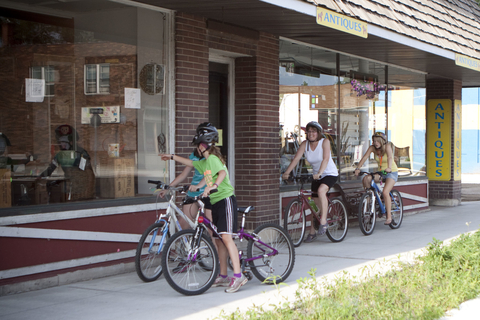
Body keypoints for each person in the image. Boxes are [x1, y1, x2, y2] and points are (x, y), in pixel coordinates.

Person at [160, 122, 247, 293]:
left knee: (227, 238)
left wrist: (213, 185)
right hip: (214, 202)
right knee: (218, 239)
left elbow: (222, 173)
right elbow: (190, 163)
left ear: (202, 145)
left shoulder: (213, 160)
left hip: (225, 200)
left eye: (197, 146)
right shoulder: (205, 162)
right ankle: (223, 275)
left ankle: (238, 276)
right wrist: (171, 156)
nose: (195, 150)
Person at [282, 121, 338, 243]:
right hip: (316, 176)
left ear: (318, 133)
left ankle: (323, 221)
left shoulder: (325, 142)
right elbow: (296, 159)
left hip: (329, 173)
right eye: (309, 131)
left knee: (321, 190)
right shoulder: (305, 144)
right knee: (313, 206)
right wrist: (286, 172)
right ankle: (312, 232)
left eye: (314, 131)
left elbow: (326, 159)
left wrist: (320, 173)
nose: (311, 133)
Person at [157, 147, 213, 231]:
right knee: (183, 226)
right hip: (193, 193)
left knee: (211, 229)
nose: (200, 149)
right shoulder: (194, 156)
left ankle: (211, 243)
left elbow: (209, 176)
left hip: (208, 194)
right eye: (198, 146)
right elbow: (183, 175)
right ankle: (185, 243)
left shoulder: (212, 158)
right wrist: (168, 187)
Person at [38, 125, 95, 201]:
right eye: (60, 142)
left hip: (81, 189)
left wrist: (88, 190)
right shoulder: (60, 155)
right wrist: (39, 178)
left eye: (64, 142)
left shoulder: (81, 153)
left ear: (71, 142)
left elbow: (88, 173)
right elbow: (50, 169)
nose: (61, 145)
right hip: (67, 187)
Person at [354, 132, 398, 225]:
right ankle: (369, 198)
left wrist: (389, 167)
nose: (375, 142)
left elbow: (390, 157)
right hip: (381, 172)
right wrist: (358, 168)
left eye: (377, 141)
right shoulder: (372, 148)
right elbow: (365, 157)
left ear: (382, 141)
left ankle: (389, 217)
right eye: (374, 140)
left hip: (391, 172)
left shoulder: (387, 146)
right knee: (366, 179)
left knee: (385, 192)